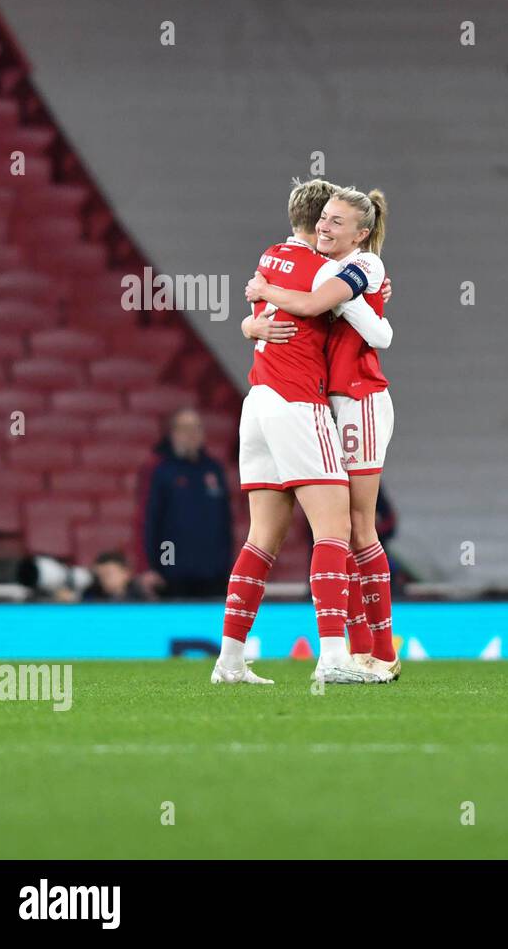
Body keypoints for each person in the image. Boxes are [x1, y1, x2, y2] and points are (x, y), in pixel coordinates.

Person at [211, 179, 386, 686]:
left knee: (261, 538)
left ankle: (230, 660)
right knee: (333, 530)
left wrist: (252, 322)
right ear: (322, 222)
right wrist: (374, 289)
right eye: (329, 219)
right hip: (296, 402)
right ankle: (334, 658)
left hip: (257, 402)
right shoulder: (326, 269)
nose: (332, 228)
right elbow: (352, 318)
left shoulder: (271, 256)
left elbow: (257, 315)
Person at [141, 407, 232, 598]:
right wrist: (163, 566)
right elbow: (154, 521)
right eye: (185, 428)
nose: (191, 434)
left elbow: (225, 523)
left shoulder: (213, 470)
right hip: (175, 575)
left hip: (213, 573)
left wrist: (225, 564)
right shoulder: (162, 471)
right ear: (173, 433)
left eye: (196, 428)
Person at [82, 550, 150, 602]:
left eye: (108, 574)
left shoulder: (144, 600)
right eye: (99, 575)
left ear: (126, 573)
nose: (103, 579)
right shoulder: (90, 597)